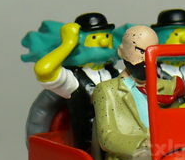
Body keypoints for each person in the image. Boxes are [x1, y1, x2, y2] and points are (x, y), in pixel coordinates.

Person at [91, 25, 179, 160]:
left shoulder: (167, 87)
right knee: (150, 158)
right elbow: (107, 138)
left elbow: (176, 125)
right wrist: (144, 142)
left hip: (167, 149)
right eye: (140, 51)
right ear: (122, 52)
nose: (146, 58)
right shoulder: (107, 90)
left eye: (152, 51)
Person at [20, 13, 129, 151]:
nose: (103, 42)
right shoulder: (73, 81)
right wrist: (67, 44)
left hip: (125, 142)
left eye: (107, 36)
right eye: (94, 38)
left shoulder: (117, 74)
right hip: (92, 149)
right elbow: (44, 70)